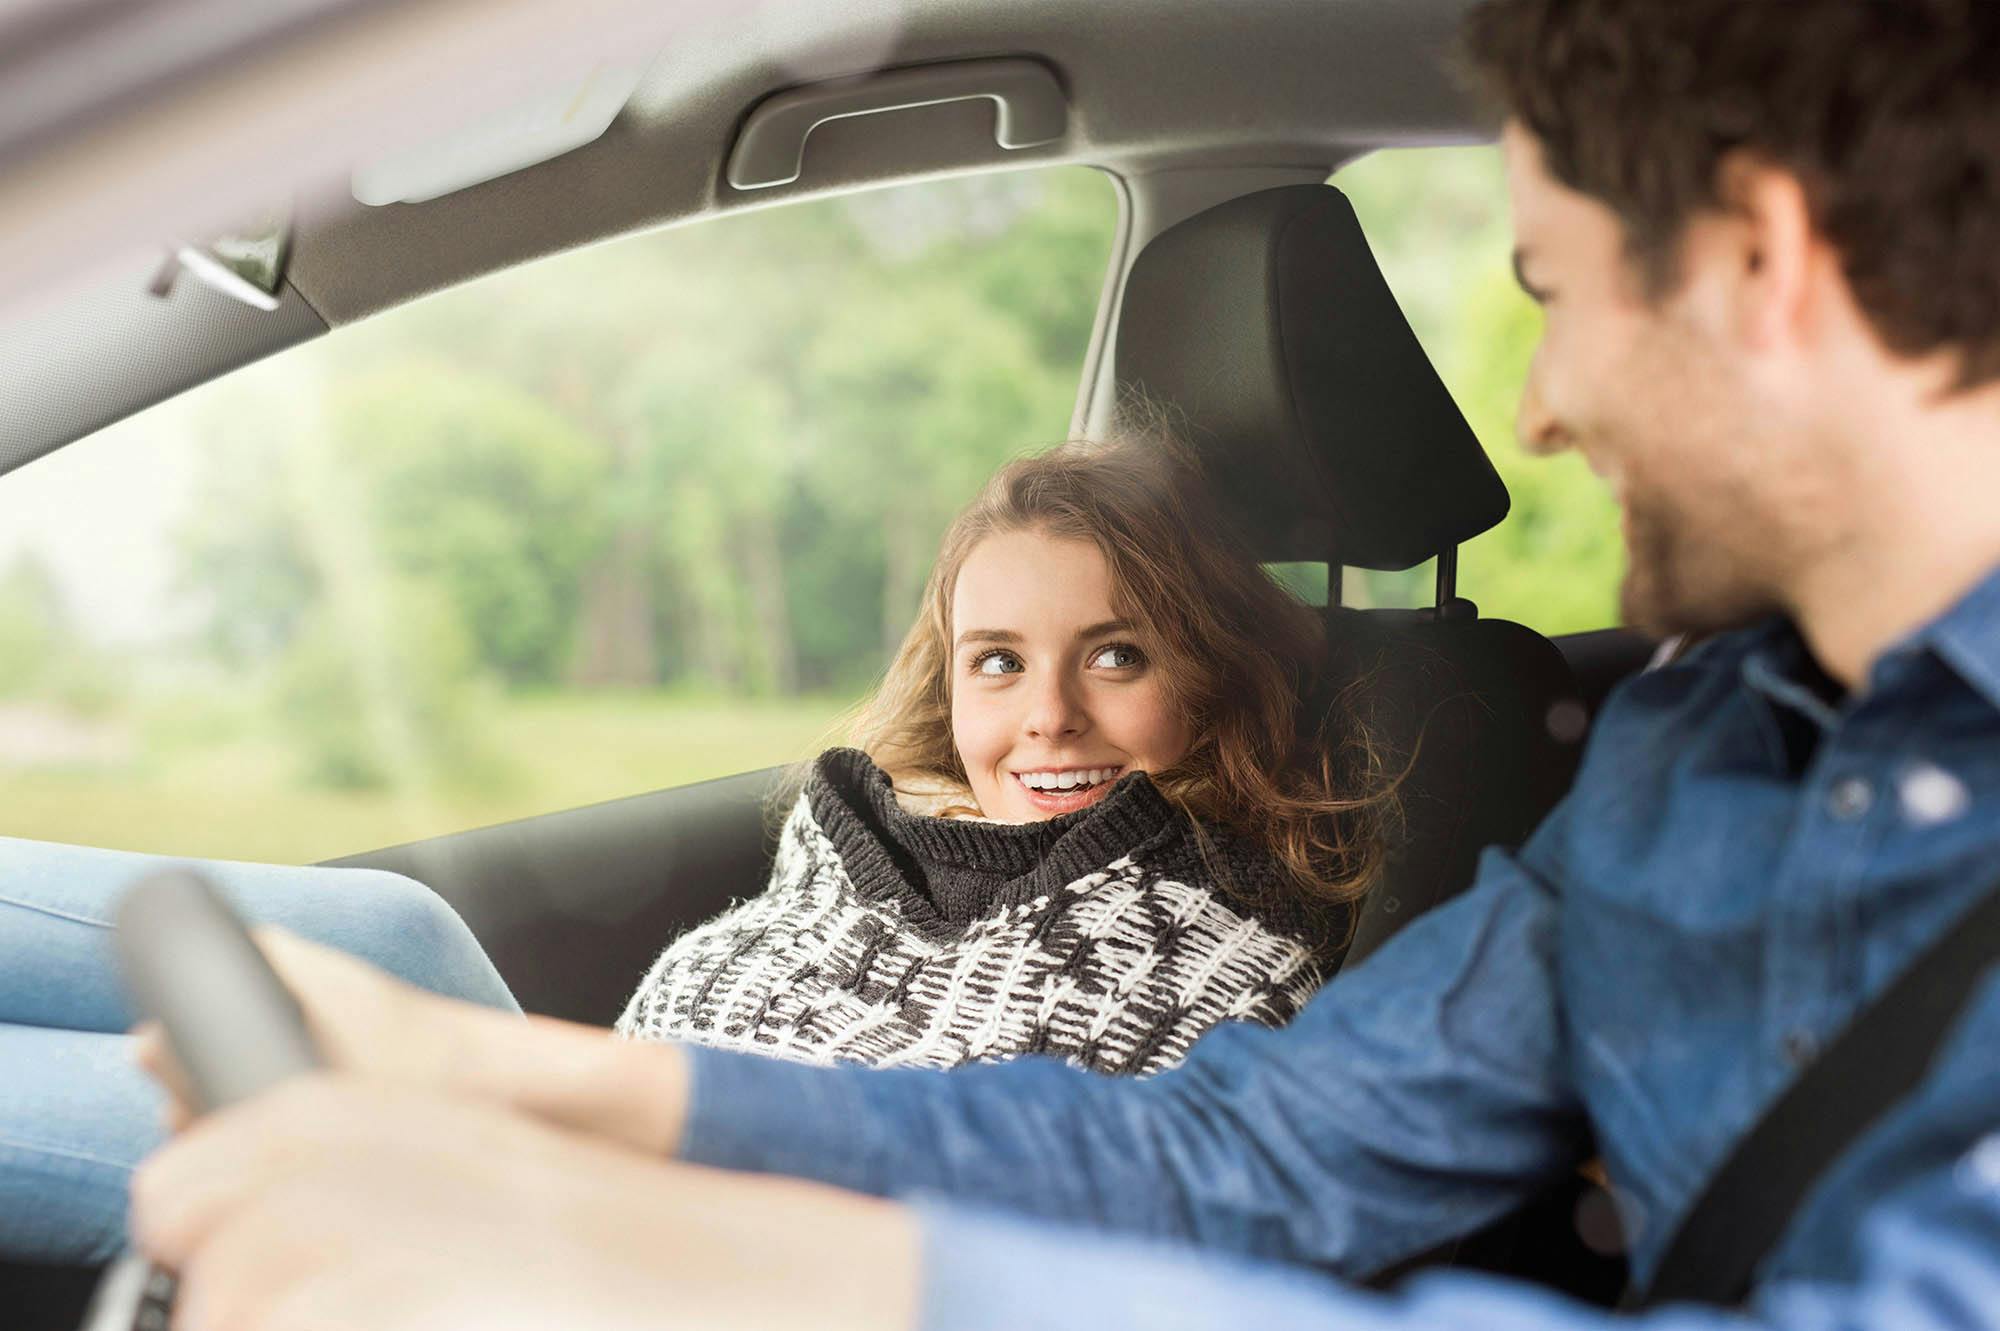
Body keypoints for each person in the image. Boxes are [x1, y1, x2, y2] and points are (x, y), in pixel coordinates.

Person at [129, 0, 2000, 1328]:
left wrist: (659, 1262)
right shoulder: (1694, 752)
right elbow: (1258, 1150)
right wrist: (544, 1090)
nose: (1540, 410)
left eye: (1554, 298)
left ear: (1759, 265)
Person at [1, 434, 1393, 1264]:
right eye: (997, 661)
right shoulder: (903, 835)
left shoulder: (1224, 961)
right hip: (591, 1151)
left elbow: (997, 1220)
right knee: (397, 926)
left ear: (1212, 668)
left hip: (634, 1262)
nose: (1046, 717)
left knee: (233, 1130)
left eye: (1116, 655)